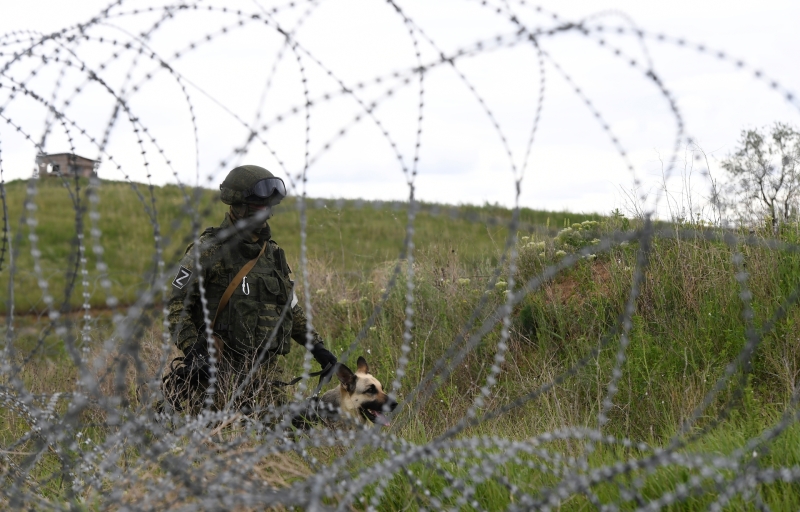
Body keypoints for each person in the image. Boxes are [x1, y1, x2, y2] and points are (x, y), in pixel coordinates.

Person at [163, 165, 337, 412]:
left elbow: (290, 309)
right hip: (218, 378)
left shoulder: (274, 255)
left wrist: (318, 348)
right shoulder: (207, 251)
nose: (264, 214)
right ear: (238, 206)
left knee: (285, 434)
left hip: (265, 378)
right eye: (257, 207)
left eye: (267, 208)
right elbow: (176, 304)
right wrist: (194, 351)